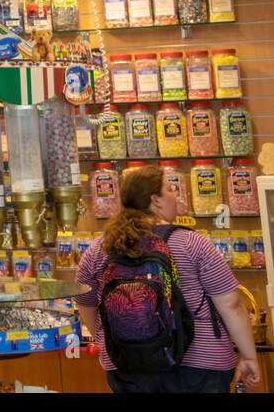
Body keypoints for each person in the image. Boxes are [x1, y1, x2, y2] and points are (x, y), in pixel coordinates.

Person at [75, 164, 261, 392]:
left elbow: (85, 301)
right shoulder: (193, 243)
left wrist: (119, 339)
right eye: (171, 189)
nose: (176, 195)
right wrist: (249, 356)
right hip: (199, 366)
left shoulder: (99, 248)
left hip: (125, 365)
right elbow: (231, 305)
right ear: (156, 200)